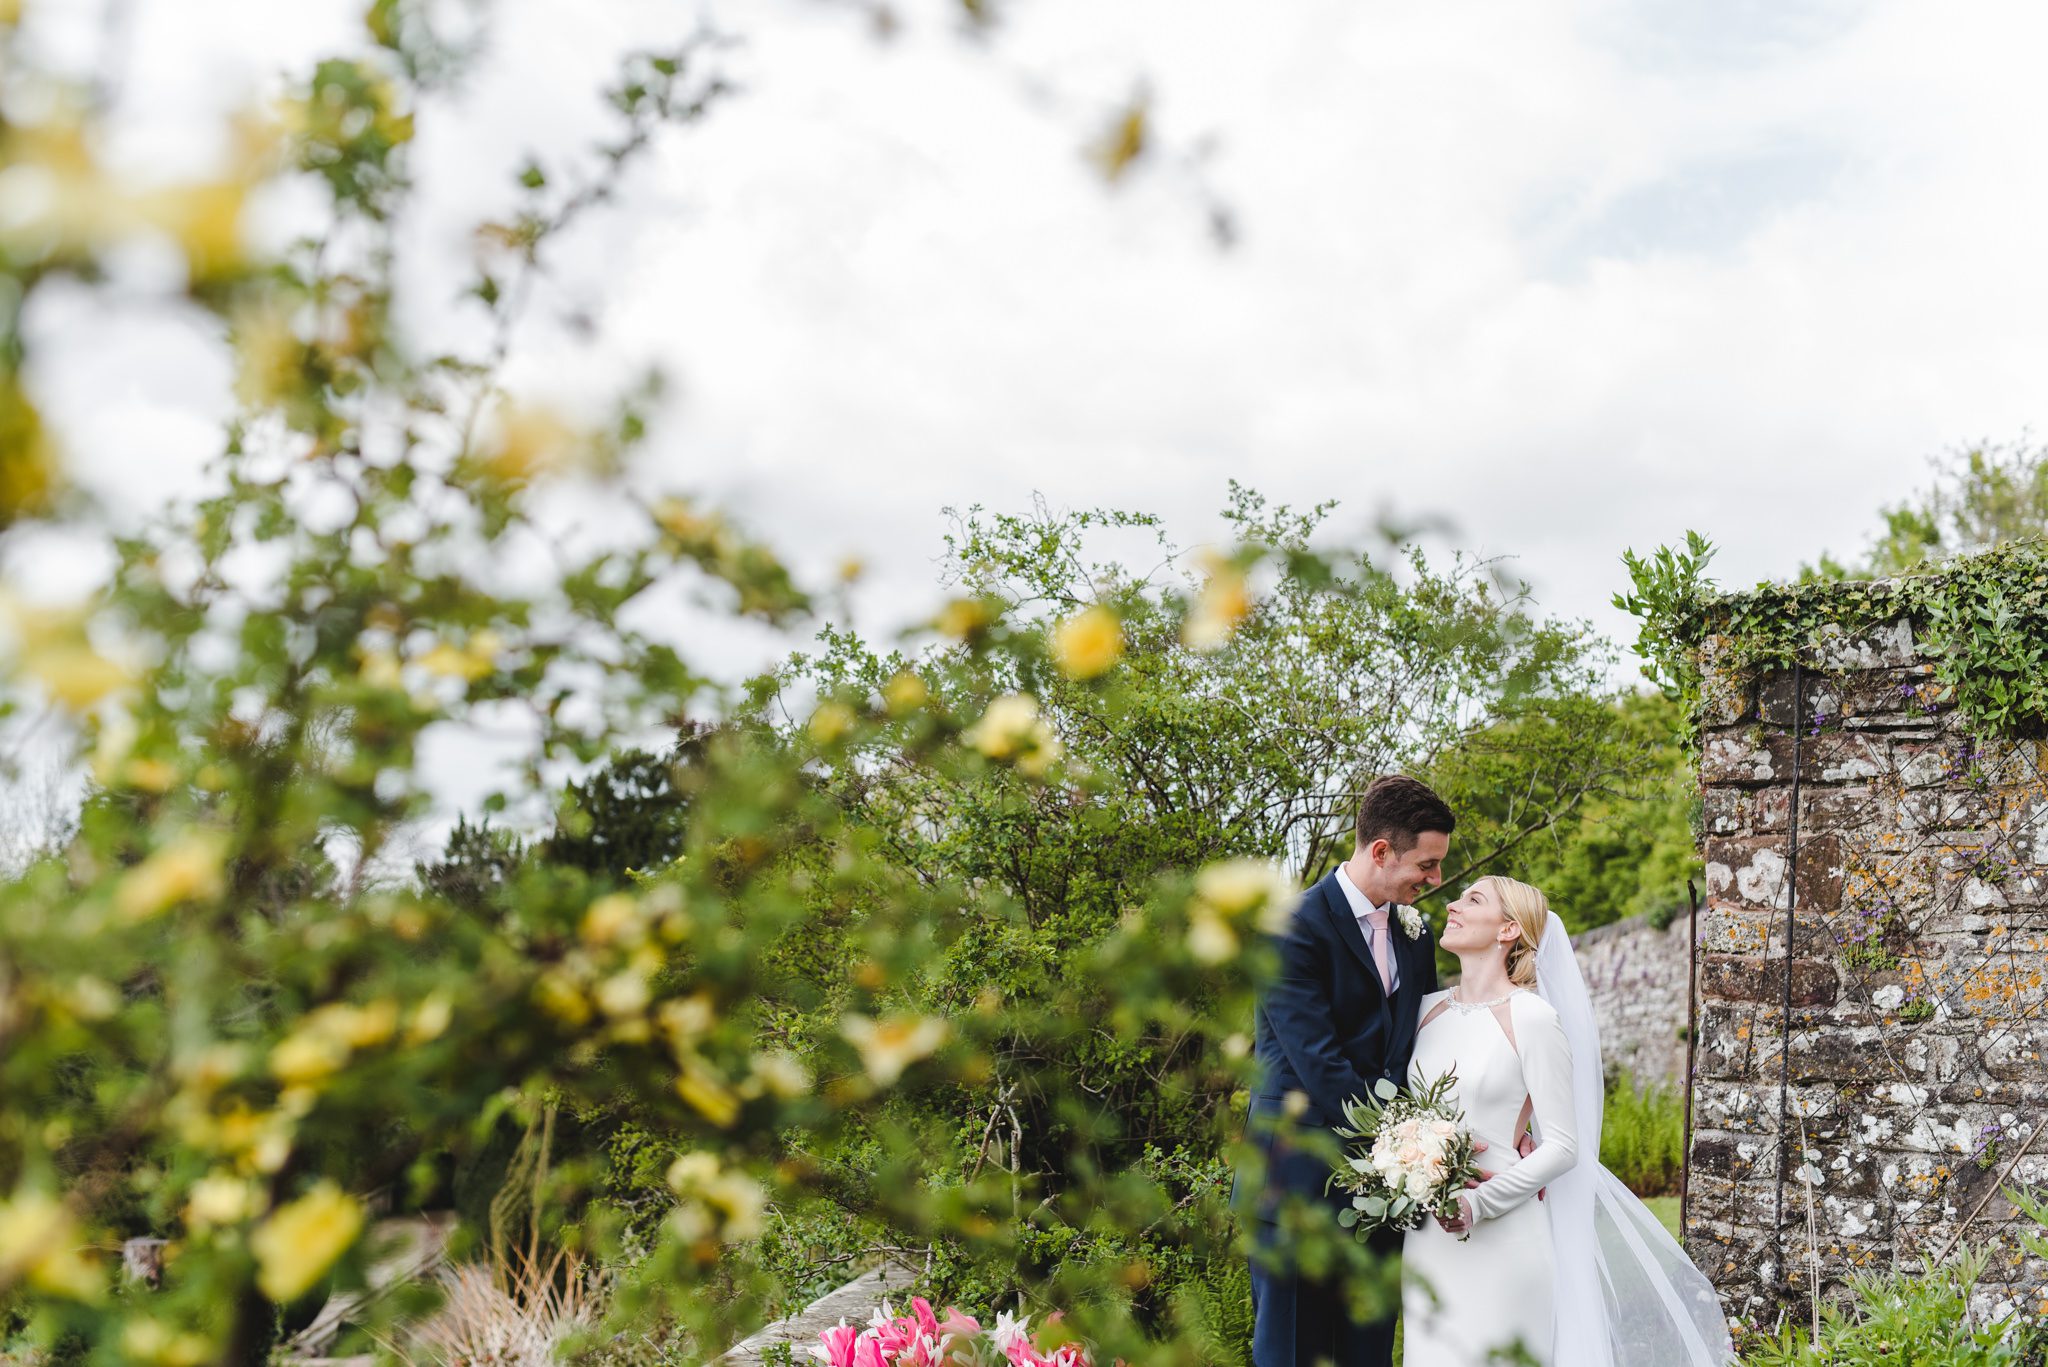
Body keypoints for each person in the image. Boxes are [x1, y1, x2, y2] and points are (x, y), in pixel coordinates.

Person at [1402, 875, 1737, 1366]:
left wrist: (1478, 1203)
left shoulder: (1532, 1018)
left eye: (1472, 899)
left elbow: (1562, 1144)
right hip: (1428, 1238)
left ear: (1508, 930)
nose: (1452, 904)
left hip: (1500, 1230)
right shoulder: (1424, 1012)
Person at [1238, 775, 1453, 1367]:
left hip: (1384, 1189)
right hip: (1297, 1183)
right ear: (1381, 851)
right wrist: (1413, 1144)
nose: (1434, 880)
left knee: (1368, 1353)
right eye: (1427, 864)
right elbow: (1321, 1064)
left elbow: (1423, 1046)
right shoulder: (1290, 928)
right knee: (1293, 1353)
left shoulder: (1415, 934)